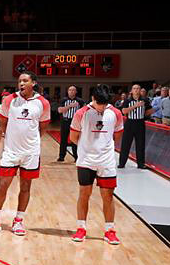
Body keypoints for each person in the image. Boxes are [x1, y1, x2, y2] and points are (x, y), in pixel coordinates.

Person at [0, 72, 50, 236]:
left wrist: (30, 141)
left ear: (33, 83)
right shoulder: (9, 100)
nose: (21, 83)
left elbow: (43, 127)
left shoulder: (43, 103)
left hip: (31, 152)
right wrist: (11, 138)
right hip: (11, 151)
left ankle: (18, 221)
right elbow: (3, 123)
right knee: (2, 185)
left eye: (25, 81)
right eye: (20, 81)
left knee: (26, 187)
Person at [71, 85, 124, 245]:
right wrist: (86, 148)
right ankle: (81, 228)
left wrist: (103, 147)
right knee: (84, 194)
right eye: (99, 103)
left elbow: (118, 135)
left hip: (106, 161)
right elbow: (74, 136)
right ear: (93, 99)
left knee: (108, 196)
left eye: (104, 103)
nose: (101, 107)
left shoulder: (115, 113)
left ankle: (110, 230)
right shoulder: (81, 113)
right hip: (86, 161)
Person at [117, 84, 154, 169]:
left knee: (140, 144)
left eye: (138, 88)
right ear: (132, 91)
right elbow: (124, 111)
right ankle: (122, 163)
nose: (136, 90)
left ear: (140, 90)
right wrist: (135, 106)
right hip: (130, 123)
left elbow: (150, 110)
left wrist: (144, 114)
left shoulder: (145, 100)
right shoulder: (127, 100)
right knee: (126, 144)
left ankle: (141, 164)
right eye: (134, 88)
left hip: (140, 123)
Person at [56, 86, 84, 162]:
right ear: (67, 91)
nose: (71, 91)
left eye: (73, 90)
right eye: (70, 90)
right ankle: (61, 157)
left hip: (75, 122)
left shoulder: (80, 101)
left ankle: (76, 157)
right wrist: (70, 106)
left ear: (76, 92)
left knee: (75, 140)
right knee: (63, 139)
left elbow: (84, 111)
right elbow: (59, 110)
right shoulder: (63, 100)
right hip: (65, 121)